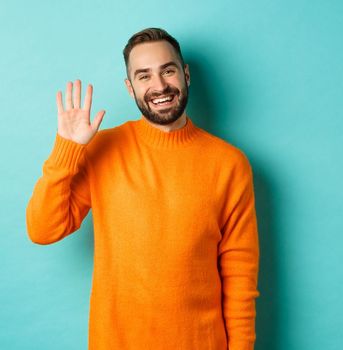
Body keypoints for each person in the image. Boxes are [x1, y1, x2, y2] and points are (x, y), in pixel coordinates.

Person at [25, 27, 260, 350]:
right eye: (144, 76)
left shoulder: (229, 164)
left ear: (185, 75)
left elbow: (240, 277)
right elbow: (42, 229)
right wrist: (67, 149)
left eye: (168, 70)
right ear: (130, 87)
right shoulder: (102, 150)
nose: (159, 86)